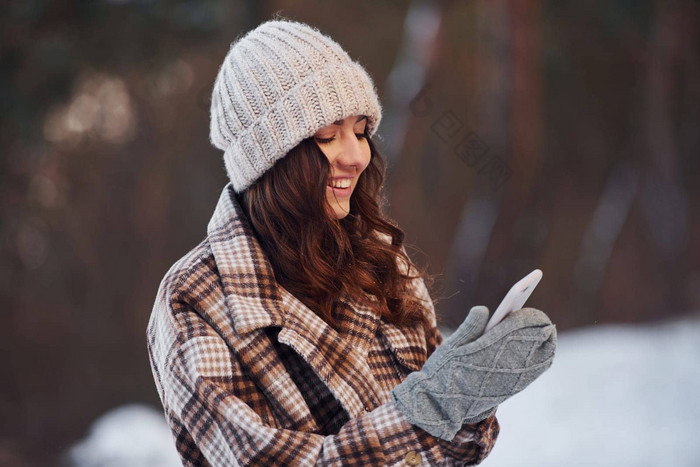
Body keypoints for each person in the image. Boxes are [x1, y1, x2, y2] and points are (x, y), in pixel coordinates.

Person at [146, 17, 557, 466]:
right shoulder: (195, 298)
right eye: (327, 134)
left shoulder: (381, 258)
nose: (357, 155)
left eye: (361, 130)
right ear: (267, 157)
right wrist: (433, 405)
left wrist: (471, 391)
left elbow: (456, 451)